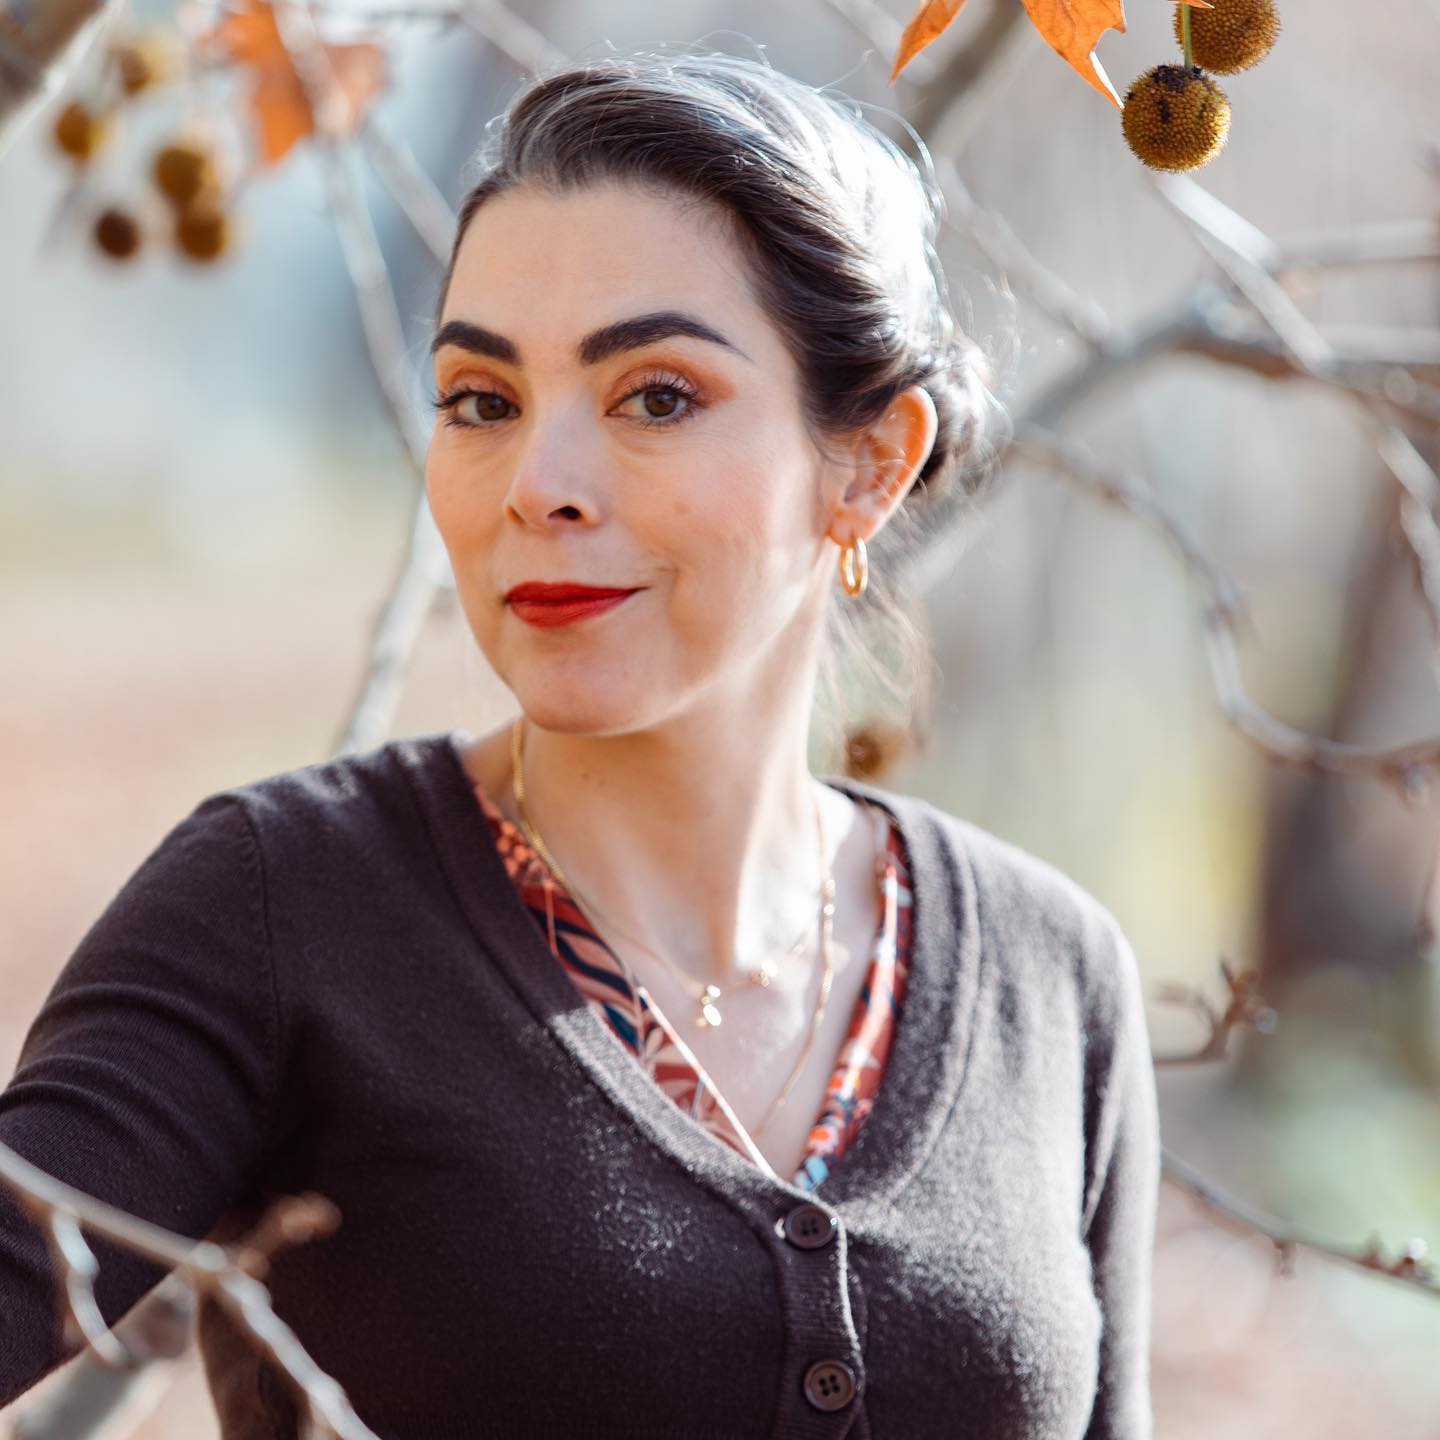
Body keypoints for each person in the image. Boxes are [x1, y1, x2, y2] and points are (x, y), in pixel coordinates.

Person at [0, 48, 1160, 1440]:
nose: (539, 486)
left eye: (656, 397)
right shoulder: (279, 909)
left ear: (870, 462)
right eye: (482, 402)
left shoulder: (1053, 977)